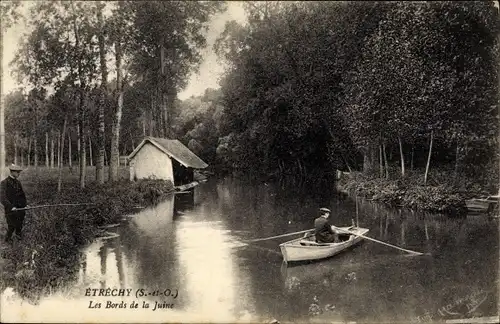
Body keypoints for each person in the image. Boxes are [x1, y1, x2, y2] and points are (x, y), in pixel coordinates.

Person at [1, 164, 27, 243]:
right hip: (10, 209)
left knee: (19, 224)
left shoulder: (18, 182)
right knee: (11, 226)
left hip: (20, 208)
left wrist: (25, 205)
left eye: (19, 172)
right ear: (12, 172)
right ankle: (8, 240)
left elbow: (22, 195)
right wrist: (10, 207)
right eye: (17, 172)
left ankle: (18, 239)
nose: (19, 174)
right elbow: (2, 197)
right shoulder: (4, 183)